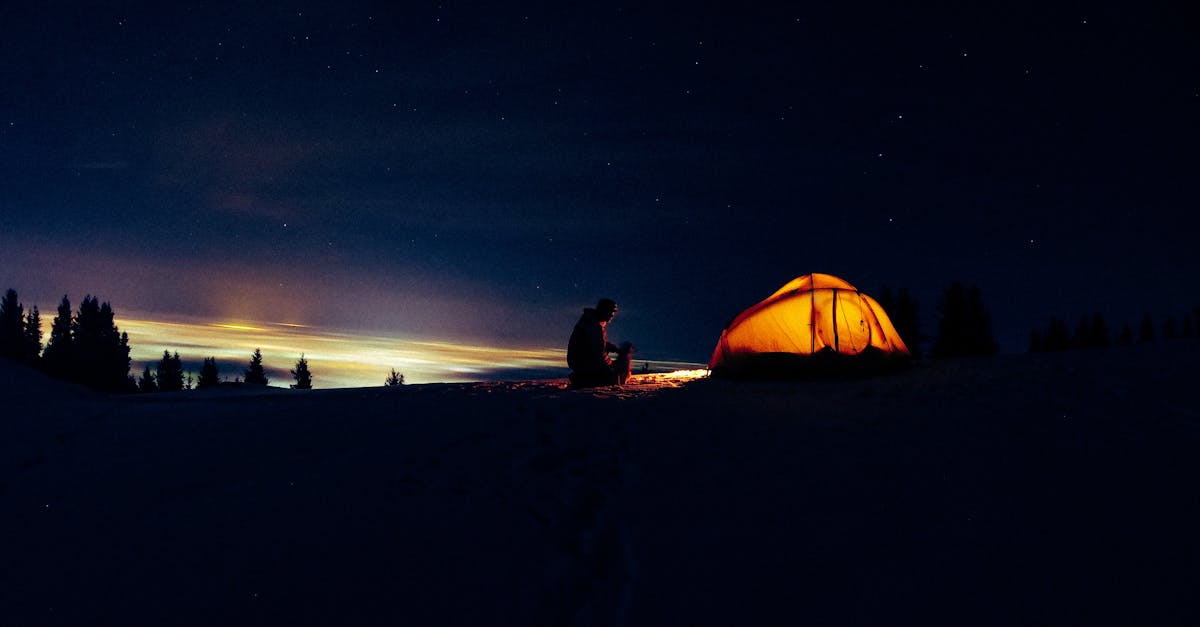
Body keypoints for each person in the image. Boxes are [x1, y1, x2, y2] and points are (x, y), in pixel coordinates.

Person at [567, 298, 629, 388]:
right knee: (610, 378)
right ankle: (581, 379)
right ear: (603, 311)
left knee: (607, 370)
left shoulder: (592, 321)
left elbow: (592, 341)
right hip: (580, 361)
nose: (612, 315)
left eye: (614, 312)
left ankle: (584, 376)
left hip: (578, 359)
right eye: (610, 312)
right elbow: (600, 353)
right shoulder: (594, 325)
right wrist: (612, 365)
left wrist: (610, 347)